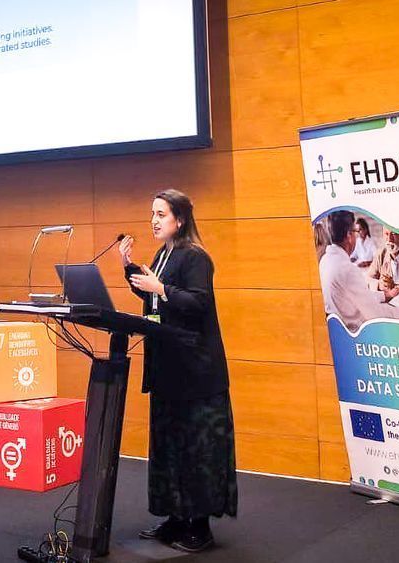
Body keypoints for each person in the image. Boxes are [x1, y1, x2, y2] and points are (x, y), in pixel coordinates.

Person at [118, 188, 236, 553]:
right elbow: (157, 298)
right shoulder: (163, 254)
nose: (154, 220)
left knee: (196, 450)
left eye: (161, 214)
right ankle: (174, 517)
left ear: (180, 219)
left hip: (196, 373)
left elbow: (198, 304)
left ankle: (199, 527)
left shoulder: (195, 257)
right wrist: (130, 271)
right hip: (169, 369)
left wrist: (161, 288)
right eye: (152, 213)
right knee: (168, 446)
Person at [318, 210, 399, 332]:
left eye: (393, 234)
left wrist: (387, 295)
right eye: (386, 234)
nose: (389, 239)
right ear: (349, 235)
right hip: (356, 334)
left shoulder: (325, 261)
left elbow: (360, 295)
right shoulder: (348, 269)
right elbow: (376, 314)